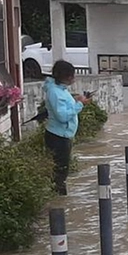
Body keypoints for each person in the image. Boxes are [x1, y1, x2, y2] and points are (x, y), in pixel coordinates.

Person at [43, 61, 83, 195]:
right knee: (60, 170)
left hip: (63, 135)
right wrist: (79, 105)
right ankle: (58, 199)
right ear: (66, 77)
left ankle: (59, 198)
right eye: (72, 76)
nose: (74, 78)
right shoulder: (55, 92)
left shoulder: (60, 90)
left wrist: (75, 100)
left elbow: (64, 106)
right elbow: (63, 116)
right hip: (58, 137)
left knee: (61, 169)